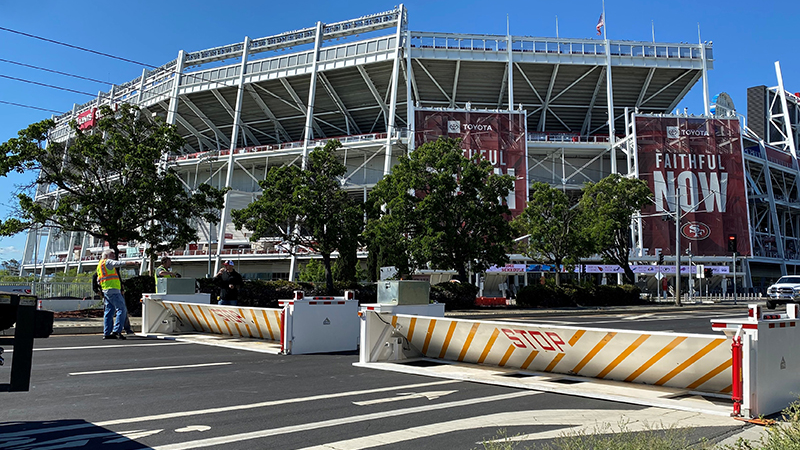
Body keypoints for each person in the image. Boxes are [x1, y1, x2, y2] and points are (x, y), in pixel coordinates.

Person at [97, 249, 139, 340]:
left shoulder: (100, 265)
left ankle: (107, 333)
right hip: (113, 290)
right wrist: (132, 262)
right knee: (122, 309)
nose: (114, 256)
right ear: (107, 255)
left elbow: (98, 279)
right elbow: (118, 263)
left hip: (106, 290)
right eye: (112, 254)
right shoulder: (108, 262)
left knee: (109, 311)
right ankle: (117, 331)